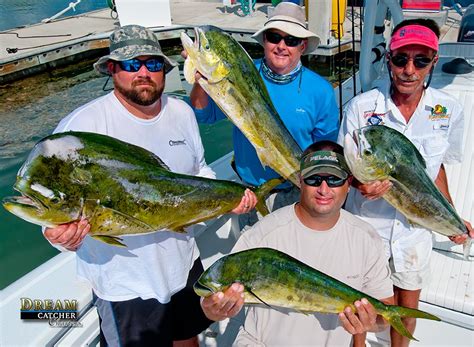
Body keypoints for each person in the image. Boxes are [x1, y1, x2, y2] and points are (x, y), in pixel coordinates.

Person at [42, 25, 256, 347]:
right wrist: (58, 236)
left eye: (153, 64)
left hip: (184, 265)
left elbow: (198, 171)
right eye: (131, 64)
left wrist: (228, 199)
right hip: (126, 286)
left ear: (164, 71)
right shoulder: (82, 127)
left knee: (188, 340)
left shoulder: (181, 112)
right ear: (113, 69)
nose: (143, 73)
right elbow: (49, 200)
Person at [337, 18, 473, 346]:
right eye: (401, 59)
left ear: (433, 63)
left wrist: (452, 217)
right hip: (367, 225)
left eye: (420, 60)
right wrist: (359, 186)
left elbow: (436, 170)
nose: (409, 69)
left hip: (414, 233)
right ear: (389, 60)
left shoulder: (448, 110)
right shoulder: (361, 107)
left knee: (407, 306)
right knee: (361, 304)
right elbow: (345, 167)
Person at [200, 141, 394, 346]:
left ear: (349, 183)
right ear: (300, 180)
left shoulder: (365, 238)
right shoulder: (262, 234)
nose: (323, 189)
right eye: (314, 179)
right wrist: (212, 310)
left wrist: (370, 322)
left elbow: (385, 314)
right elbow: (210, 300)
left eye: (334, 179)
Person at [187, 2, 340, 224]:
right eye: (274, 37)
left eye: (291, 40)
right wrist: (200, 80)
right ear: (264, 41)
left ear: (303, 46)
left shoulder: (321, 91)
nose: (281, 45)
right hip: (250, 195)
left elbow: (324, 149)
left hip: (297, 192)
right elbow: (205, 115)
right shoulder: (241, 71)